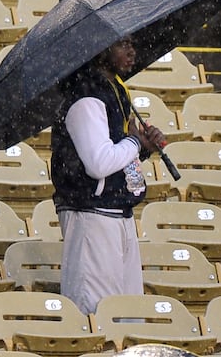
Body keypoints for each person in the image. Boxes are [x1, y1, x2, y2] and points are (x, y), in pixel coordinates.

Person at [53, 36, 165, 315]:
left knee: (129, 317)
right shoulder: (86, 96)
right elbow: (98, 163)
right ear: (100, 49)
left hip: (119, 211)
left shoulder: (116, 90)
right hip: (91, 215)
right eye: (122, 44)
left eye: (132, 43)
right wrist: (135, 143)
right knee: (99, 316)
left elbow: (117, 153)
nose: (131, 51)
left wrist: (141, 148)